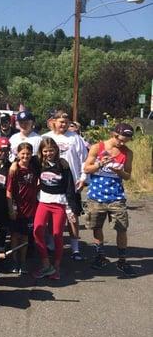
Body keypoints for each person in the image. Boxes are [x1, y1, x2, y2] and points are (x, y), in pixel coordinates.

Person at [83, 123, 136, 277]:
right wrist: (100, 163)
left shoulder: (127, 153)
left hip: (116, 197)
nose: (122, 143)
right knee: (96, 227)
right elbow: (86, 168)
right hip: (96, 196)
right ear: (113, 134)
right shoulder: (97, 147)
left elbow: (128, 176)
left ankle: (122, 260)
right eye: (120, 139)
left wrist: (120, 172)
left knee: (121, 228)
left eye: (126, 140)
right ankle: (100, 257)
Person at [43, 110, 88, 260]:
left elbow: (84, 160)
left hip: (71, 183)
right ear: (53, 122)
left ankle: (75, 249)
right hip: (51, 184)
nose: (63, 124)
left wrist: (83, 177)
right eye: (61, 121)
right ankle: (51, 244)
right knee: (51, 216)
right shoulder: (46, 137)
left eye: (66, 122)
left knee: (72, 217)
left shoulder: (76, 138)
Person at [32, 138, 79, 280]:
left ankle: (56, 266)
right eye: (45, 151)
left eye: (51, 150)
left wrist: (71, 208)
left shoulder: (63, 165)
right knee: (37, 231)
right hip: (44, 202)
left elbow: (70, 187)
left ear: (56, 150)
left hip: (59, 203)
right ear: (41, 151)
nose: (48, 153)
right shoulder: (37, 162)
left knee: (57, 234)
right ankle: (46, 264)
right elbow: (23, 157)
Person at [6, 142, 38, 274]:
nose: (25, 156)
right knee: (15, 235)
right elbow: (8, 191)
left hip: (30, 208)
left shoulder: (33, 168)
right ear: (17, 154)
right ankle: (14, 261)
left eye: (28, 153)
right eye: (23, 153)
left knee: (25, 236)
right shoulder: (14, 170)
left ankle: (23, 261)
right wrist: (10, 208)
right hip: (17, 207)